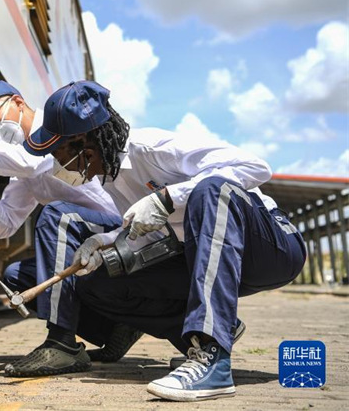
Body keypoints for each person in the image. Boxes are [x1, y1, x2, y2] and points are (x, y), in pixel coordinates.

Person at [23, 80, 306, 401]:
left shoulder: (153, 147)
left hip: (271, 249)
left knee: (211, 189)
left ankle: (214, 359)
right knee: (98, 284)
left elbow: (256, 167)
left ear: (83, 144)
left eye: (58, 153)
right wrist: (108, 240)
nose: (57, 164)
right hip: (203, 257)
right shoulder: (111, 179)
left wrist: (169, 197)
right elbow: (156, 231)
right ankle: (210, 333)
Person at [0, 80, 142, 377]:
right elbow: (4, 226)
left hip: (123, 230)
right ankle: (116, 329)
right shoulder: (22, 164)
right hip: (87, 241)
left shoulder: (56, 129)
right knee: (17, 276)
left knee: (56, 215)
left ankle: (61, 343)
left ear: (17, 102)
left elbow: (30, 162)